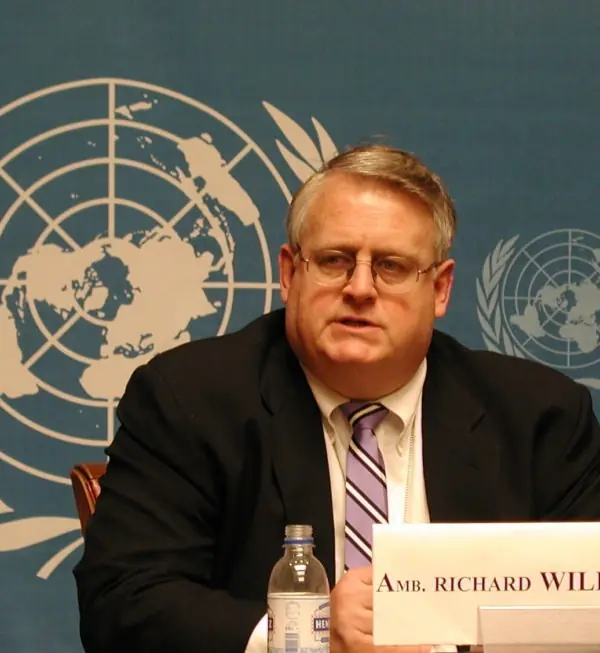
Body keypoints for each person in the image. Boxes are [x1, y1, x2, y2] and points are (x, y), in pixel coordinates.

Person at [74, 144, 600, 653]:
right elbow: (121, 602)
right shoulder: (191, 399)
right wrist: (305, 633)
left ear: (440, 289)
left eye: (392, 266)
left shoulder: (538, 416)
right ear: (289, 273)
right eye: (334, 260)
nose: (361, 288)